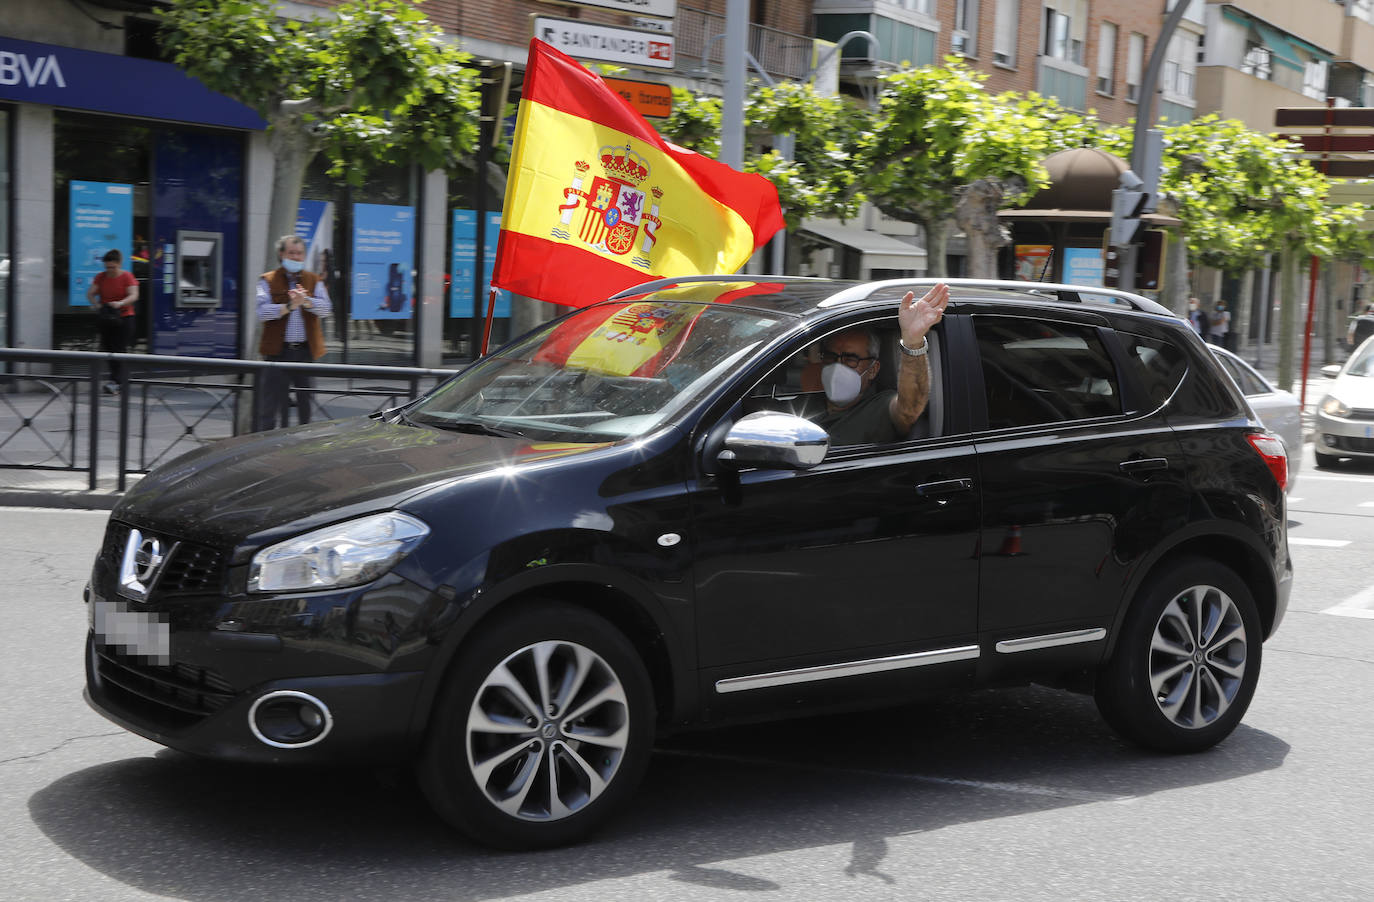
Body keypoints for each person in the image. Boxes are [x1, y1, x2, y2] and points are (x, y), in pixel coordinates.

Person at [811, 282, 949, 446]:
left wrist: (913, 342)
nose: (837, 366)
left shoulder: (880, 407)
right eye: (831, 356)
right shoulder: (807, 405)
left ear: (873, 370)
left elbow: (909, 410)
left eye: (850, 359)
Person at [256, 235, 333, 431]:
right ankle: (266, 445)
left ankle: (303, 447)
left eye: (299, 253)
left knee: (306, 406)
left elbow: (325, 310)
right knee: (269, 406)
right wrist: (289, 306)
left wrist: (306, 302)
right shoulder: (267, 280)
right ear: (282, 254)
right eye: (291, 253)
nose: (296, 257)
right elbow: (262, 312)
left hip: (305, 353)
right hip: (277, 352)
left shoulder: (314, 280)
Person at [86, 249, 139, 394]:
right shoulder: (101, 277)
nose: (109, 270)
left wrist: (121, 303)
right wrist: (97, 305)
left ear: (119, 264)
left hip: (124, 318)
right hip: (107, 318)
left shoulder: (127, 277)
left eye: (113, 267)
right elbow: (90, 293)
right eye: (107, 267)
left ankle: (117, 381)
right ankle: (116, 380)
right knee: (109, 349)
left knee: (119, 349)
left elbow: (134, 295)